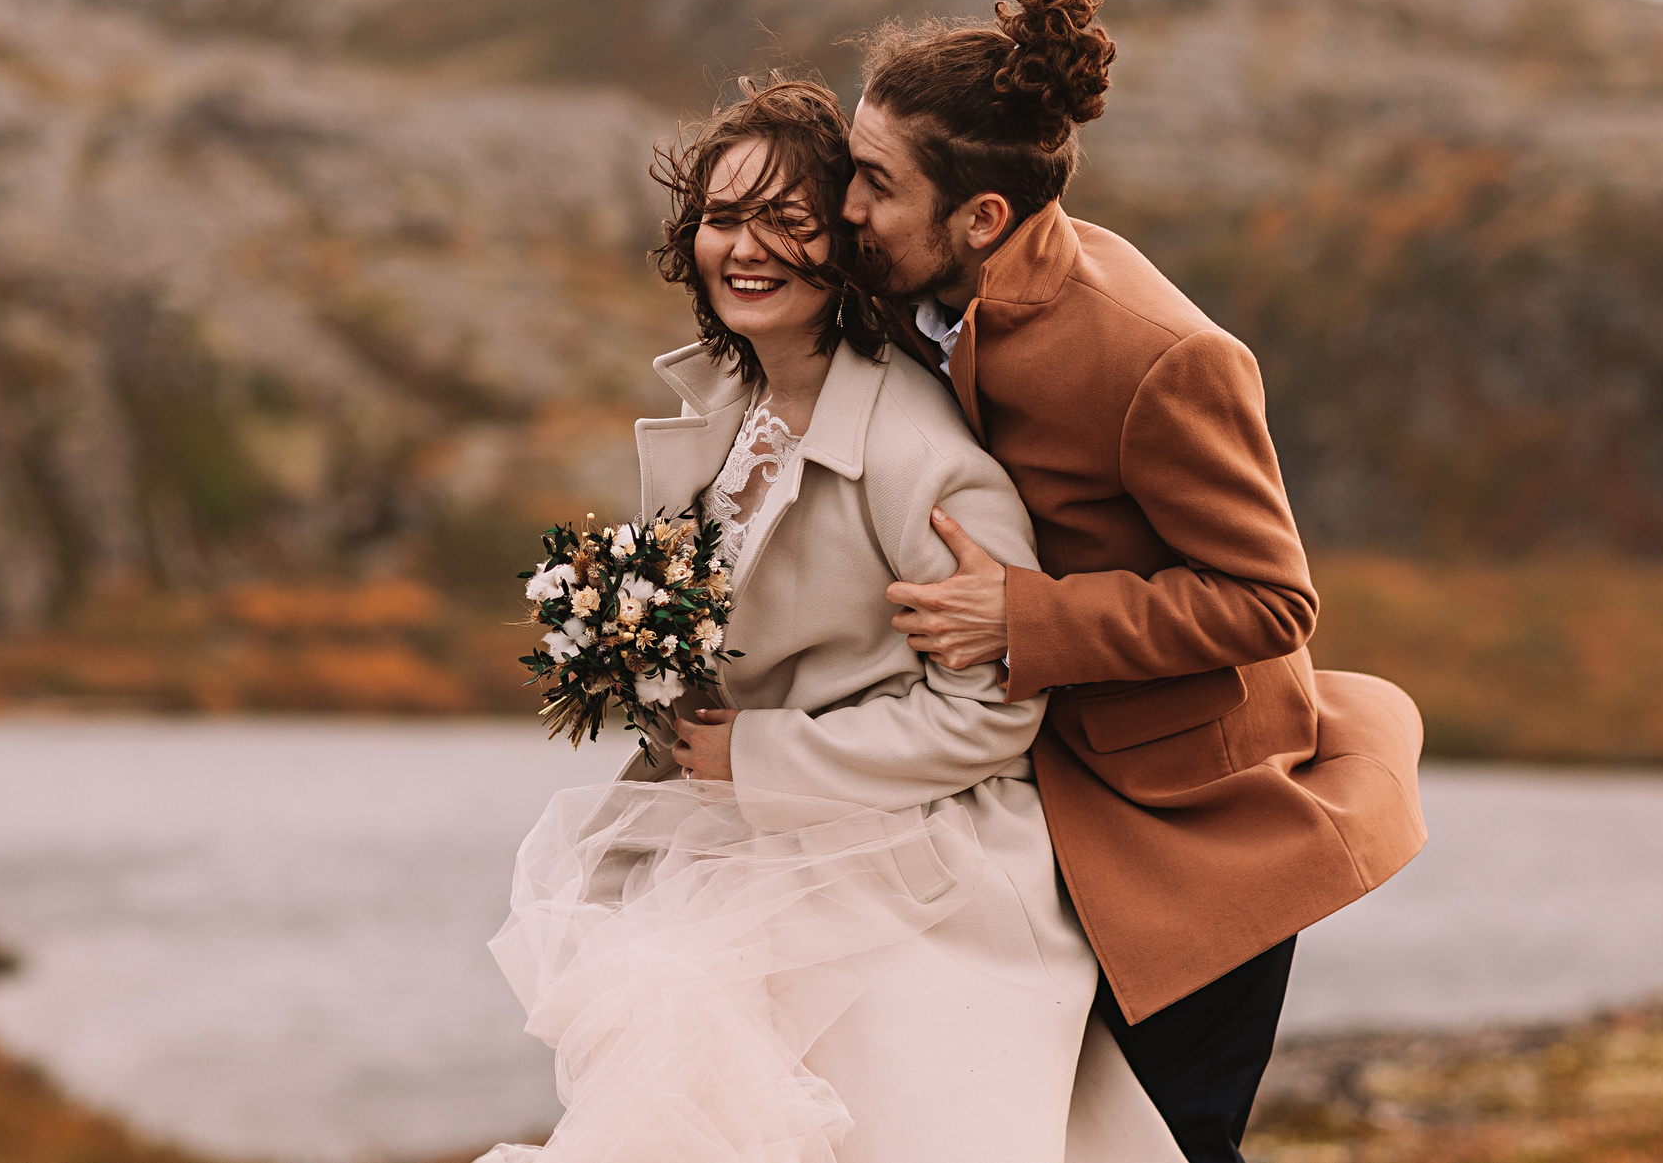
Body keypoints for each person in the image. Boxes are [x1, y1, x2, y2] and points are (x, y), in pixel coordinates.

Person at [480, 78, 1181, 1163]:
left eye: (786, 221)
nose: (744, 248)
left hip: (915, 864)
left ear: (844, 243)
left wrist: (753, 755)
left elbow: (993, 716)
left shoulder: (919, 449)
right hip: (761, 837)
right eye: (721, 218)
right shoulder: (730, 402)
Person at [840, 0, 1430, 1163]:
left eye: (873, 182)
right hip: (1034, 804)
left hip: (1200, 832)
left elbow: (1271, 599)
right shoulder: (918, 291)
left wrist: (1030, 617)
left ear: (982, 217)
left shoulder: (1164, 356)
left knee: (1165, 1145)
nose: (843, 205)